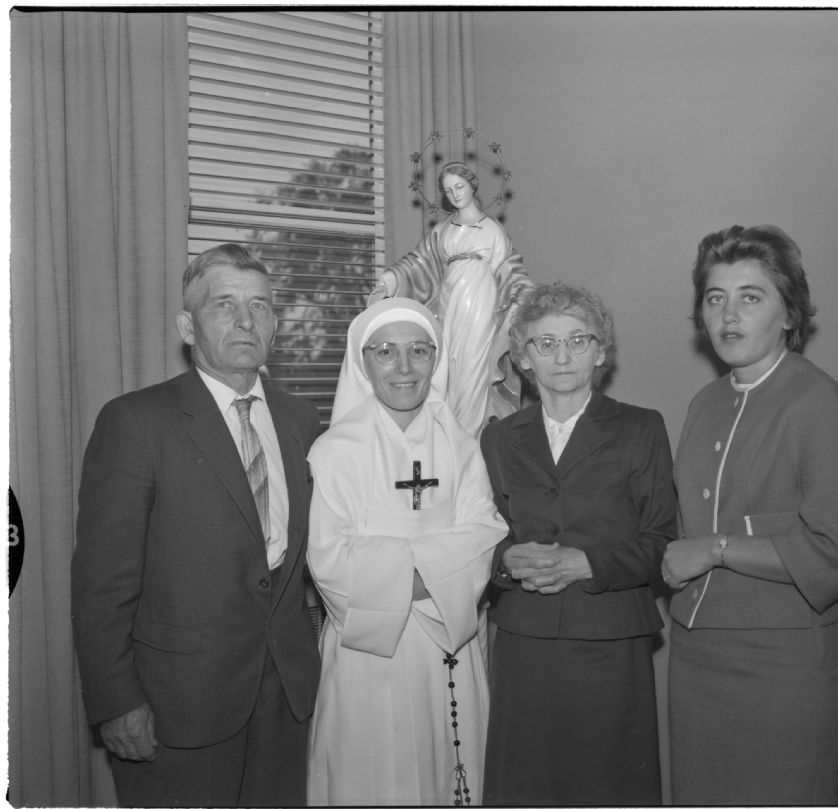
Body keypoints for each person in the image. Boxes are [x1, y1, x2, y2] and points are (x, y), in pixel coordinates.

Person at [71, 244, 321, 807]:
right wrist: (117, 701)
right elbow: (102, 581)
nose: (245, 320)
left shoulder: (301, 420)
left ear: (275, 326)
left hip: (285, 697)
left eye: (260, 306)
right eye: (224, 304)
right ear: (188, 326)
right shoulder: (136, 421)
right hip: (177, 708)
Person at [662, 224, 838, 805]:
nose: (728, 315)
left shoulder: (818, 401)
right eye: (715, 298)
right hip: (696, 658)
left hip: (787, 668)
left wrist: (717, 548)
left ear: (789, 314)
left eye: (750, 297)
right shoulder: (705, 403)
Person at [480, 282, 676, 805]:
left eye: (578, 340)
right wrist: (506, 561)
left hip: (609, 638)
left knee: (606, 785)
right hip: (525, 641)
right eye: (545, 343)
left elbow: (662, 541)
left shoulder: (640, 428)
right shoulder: (499, 438)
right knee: (526, 785)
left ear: (601, 352)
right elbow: (485, 538)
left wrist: (587, 563)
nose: (562, 356)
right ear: (524, 357)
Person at [306, 298, 506, 806]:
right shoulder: (334, 451)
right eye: (385, 351)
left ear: (435, 359)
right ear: (362, 361)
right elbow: (328, 559)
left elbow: (484, 534)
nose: (404, 367)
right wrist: (434, 572)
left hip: (448, 641)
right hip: (369, 649)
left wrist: (397, 573)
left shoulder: (461, 447)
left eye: (419, 350)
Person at [366, 161, 534, 437]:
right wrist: (389, 281)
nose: (455, 194)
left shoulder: (492, 230)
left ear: (472, 186)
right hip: (448, 305)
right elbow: (417, 262)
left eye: (459, 186)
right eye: (448, 190)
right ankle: (448, 435)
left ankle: (468, 438)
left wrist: (525, 298)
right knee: (446, 370)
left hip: (480, 307)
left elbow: (511, 270)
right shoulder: (443, 230)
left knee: (473, 369)